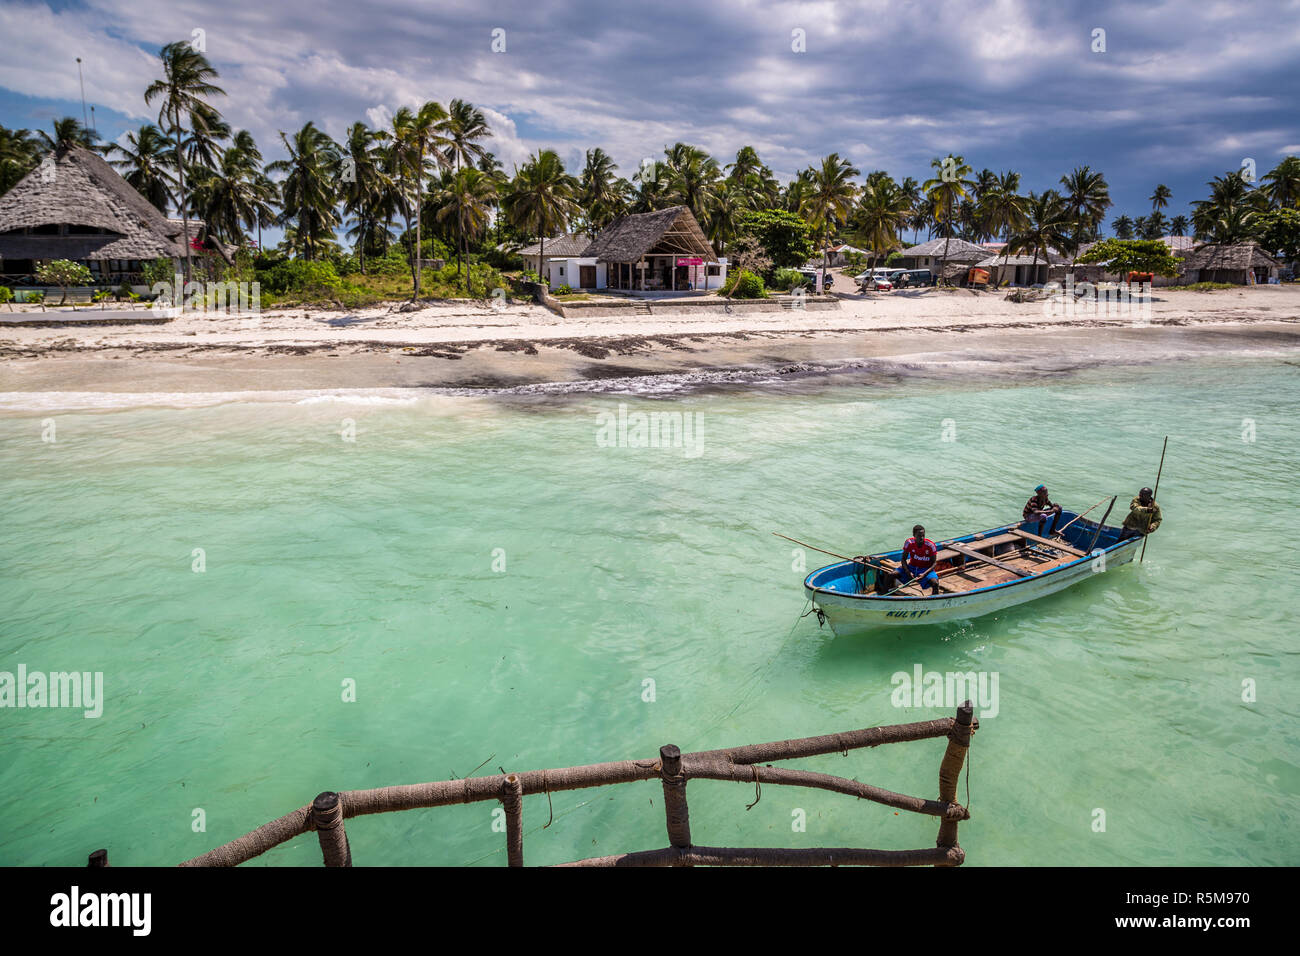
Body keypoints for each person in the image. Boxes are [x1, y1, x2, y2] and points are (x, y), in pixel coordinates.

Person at [896, 524, 940, 595]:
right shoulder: (909, 543)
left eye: (923, 536)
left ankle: (935, 600)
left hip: (925, 569)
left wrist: (924, 574)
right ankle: (883, 594)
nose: (922, 538)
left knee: (935, 583)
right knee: (891, 574)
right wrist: (908, 572)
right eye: (919, 536)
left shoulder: (930, 545)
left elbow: (934, 563)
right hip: (912, 567)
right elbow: (903, 559)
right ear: (914, 535)